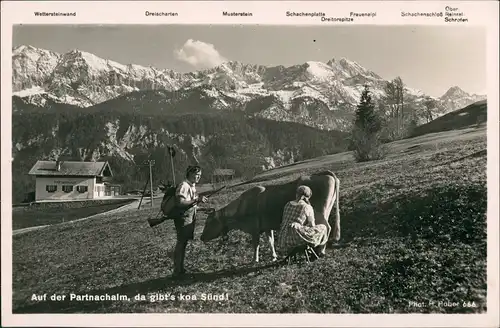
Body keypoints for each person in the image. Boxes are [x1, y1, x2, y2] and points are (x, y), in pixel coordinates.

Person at [171, 165, 208, 278]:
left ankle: (180, 269)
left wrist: (202, 208)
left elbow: (191, 205)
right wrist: (197, 199)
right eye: (196, 174)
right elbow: (180, 203)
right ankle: (177, 271)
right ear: (190, 174)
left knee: (183, 243)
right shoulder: (184, 185)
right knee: (181, 243)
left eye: (200, 175)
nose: (198, 177)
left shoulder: (192, 186)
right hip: (183, 219)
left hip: (188, 218)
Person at [277, 185, 328, 258]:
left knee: (299, 228)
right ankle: (320, 250)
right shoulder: (307, 207)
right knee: (323, 227)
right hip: (295, 237)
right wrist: (305, 226)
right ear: (306, 197)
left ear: (296, 194)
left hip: (283, 238)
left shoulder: (287, 204)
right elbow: (312, 225)